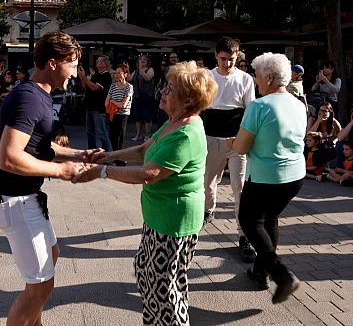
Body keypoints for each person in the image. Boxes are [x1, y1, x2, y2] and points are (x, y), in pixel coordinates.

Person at [74, 61, 217, 325]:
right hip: (158, 216)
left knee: (164, 288)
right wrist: (106, 156)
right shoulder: (173, 123)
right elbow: (143, 150)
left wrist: (101, 172)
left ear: (187, 100)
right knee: (146, 273)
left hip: (174, 221)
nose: (162, 91)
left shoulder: (186, 133)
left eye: (170, 89)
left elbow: (147, 173)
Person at [0, 31, 101, 326]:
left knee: (52, 254)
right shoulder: (29, 97)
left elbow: (37, 144)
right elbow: (9, 157)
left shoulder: (37, 94)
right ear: (53, 63)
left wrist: (79, 155)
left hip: (28, 199)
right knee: (40, 286)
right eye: (72, 65)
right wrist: (62, 171)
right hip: (17, 201)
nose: (75, 74)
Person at [231, 52, 305, 304]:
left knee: (249, 221)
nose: (255, 80)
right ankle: (260, 273)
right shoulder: (298, 103)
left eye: (257, 76)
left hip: (266, 177)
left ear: (270, 78)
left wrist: (232, 142)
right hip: (294, 177)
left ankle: (281, 275)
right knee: (269, 218)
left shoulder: (259, 106)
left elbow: (241, 147)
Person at [201, 37, 257, 263]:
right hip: (211, 137)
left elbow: (250, 110)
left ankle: (244, 235)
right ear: (216, 56)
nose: (227, 64)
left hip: (236, 140)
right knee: (208, 181)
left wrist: (245, 139)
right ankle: (208, 209)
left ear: (237, 56)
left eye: (231, 59)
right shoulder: (207, 77)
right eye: (223, 59)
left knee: (239, 187)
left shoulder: (245, 79)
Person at [80, 56, 113, 152]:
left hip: (98, 108)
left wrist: (84, 77)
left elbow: (95, 88)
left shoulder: (106, 76)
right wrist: (83, 78)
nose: (96, 62)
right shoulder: (96, 75)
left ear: (104, 64)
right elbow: (86, 87)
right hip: (89, 106)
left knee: (102, 132)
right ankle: (92, 151)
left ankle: (106, 153)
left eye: (99, 61)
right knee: (90, 132)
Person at [129, 54, 157, 142]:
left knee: (147, 117)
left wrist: (142, 70)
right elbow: (129, 79)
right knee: (138, 117)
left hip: (147, 97)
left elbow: (148, 78)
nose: (142, 61)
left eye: (144, 60)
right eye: (141, 60)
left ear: (147, 62)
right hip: (137, 97)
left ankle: (147, 135)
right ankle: (138, 135)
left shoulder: (150, 69)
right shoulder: (136, 71)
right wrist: (127, 70)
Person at [106, 66, 134, 152]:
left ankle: (118, 155)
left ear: (125, 74)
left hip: (122, 115)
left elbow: (123, 105)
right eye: (116, 73)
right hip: (112, 114)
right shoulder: (112, 86)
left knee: (119, 137)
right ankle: (116, 154)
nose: (116, 75)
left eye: (119, 73)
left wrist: (112, 101)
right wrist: (114, 103)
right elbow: (106, 103)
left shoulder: (129, 87)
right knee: (111, 136)